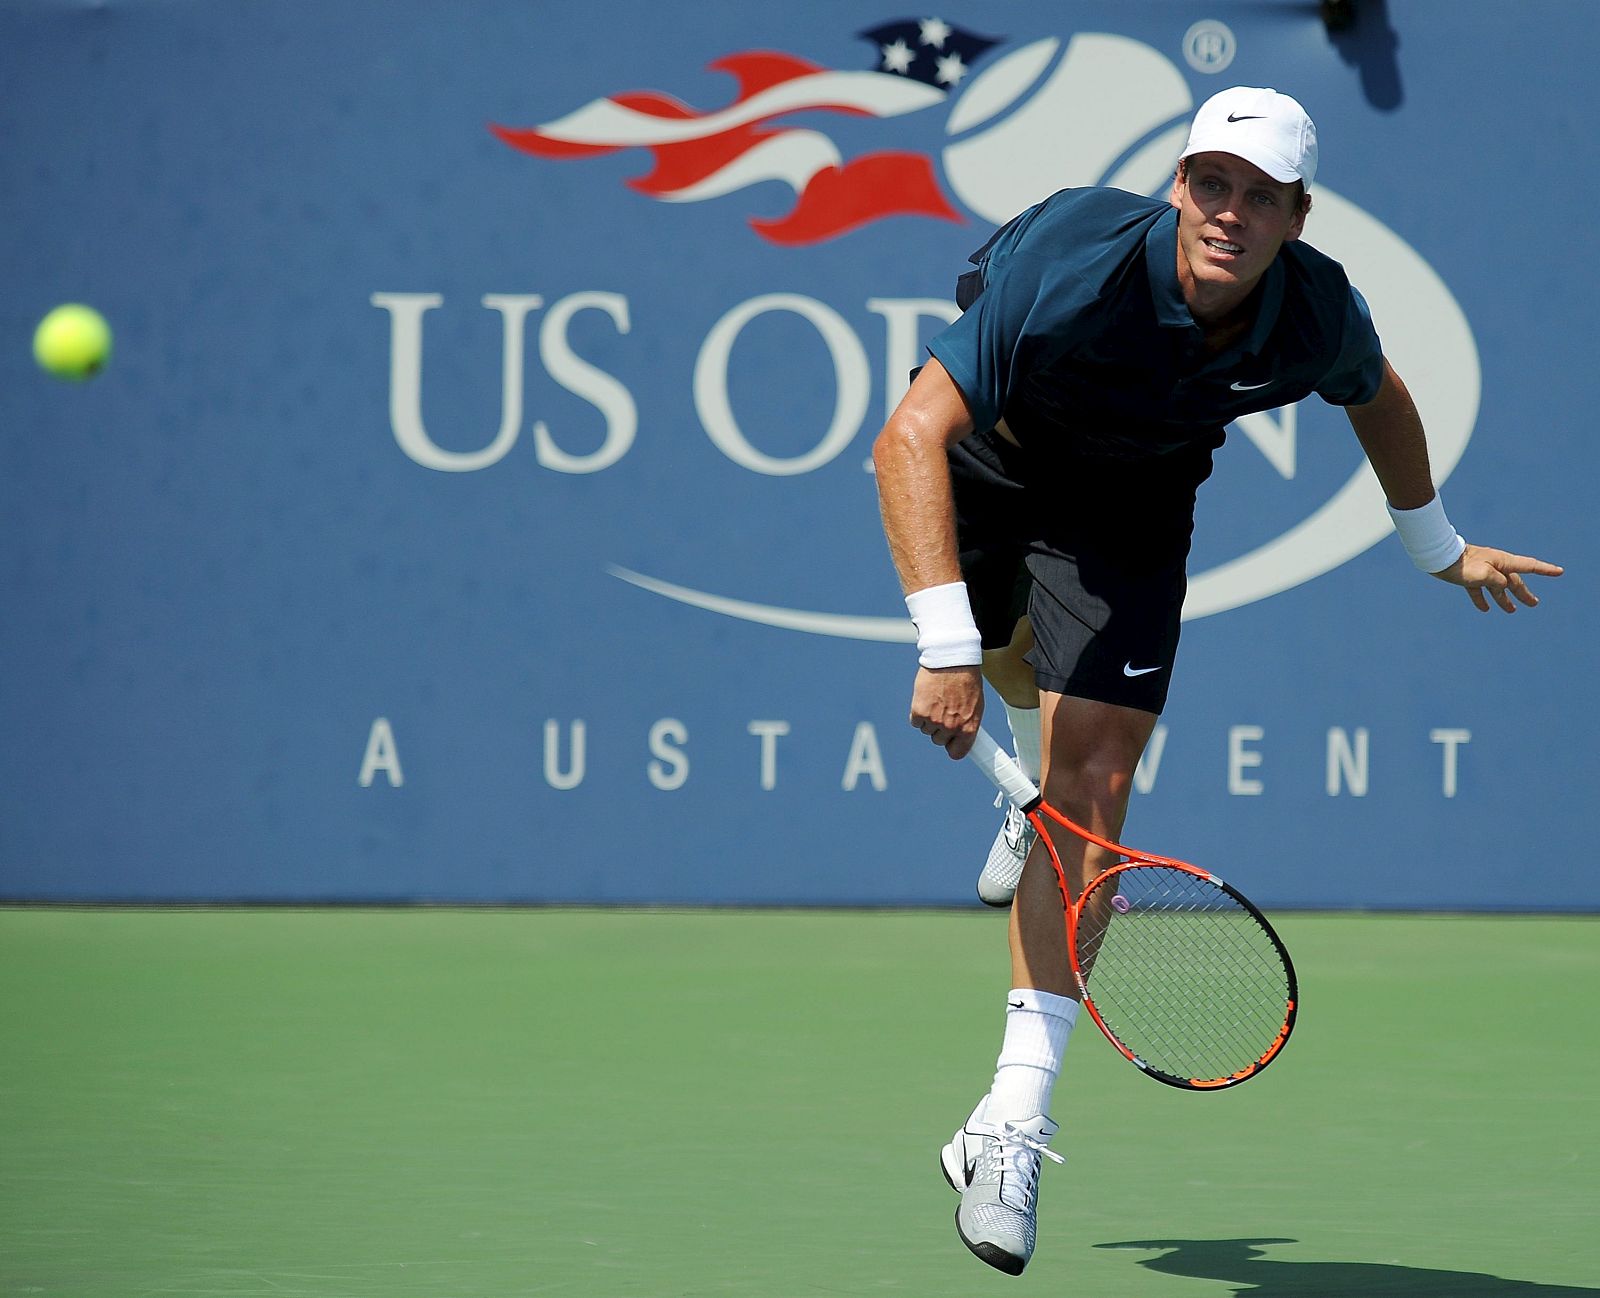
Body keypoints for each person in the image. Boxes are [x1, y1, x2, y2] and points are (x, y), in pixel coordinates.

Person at [871, 85, 1562, 1277]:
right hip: (994, 465)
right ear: (1177, 185)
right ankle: (1025, 783)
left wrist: (1436, 546)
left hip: (1132, 510)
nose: (1230, 213)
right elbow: (905, 436)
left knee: (1092, 790)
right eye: (1212, 184)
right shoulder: (1070, 263)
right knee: (1004, 662)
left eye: (1261, 197)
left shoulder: (1314, 308)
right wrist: (940, 643)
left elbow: (1380, 395)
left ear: (1297, 217)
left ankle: (1010, 1122)